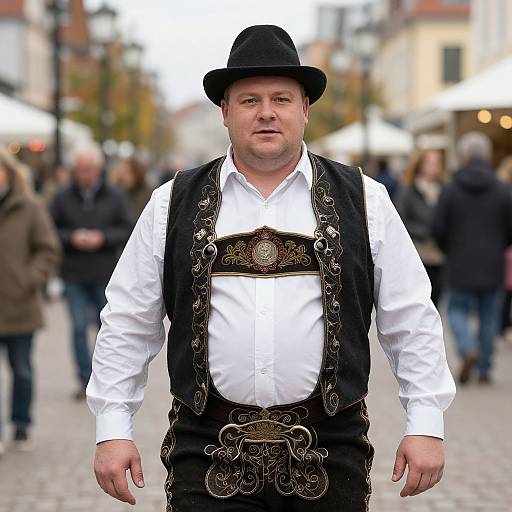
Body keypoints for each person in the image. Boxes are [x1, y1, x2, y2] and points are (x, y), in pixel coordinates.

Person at [88, 25, 455, 511]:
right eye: (249, 100)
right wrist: (112, 428)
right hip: (208, 448)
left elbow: (410, 317)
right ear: (224, 112)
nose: (266, 112)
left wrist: (426, 422)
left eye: (281, 98)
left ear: (304, 109)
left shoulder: (365, 198)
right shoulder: (170, 202)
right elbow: (128, 320)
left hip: (329, 448)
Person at [51, 144, 133, 400]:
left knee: (106, 329)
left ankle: (105, 379)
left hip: (105, 272)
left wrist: (103, 238)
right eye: (80, 170)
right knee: (77, 328)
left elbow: (127, 229)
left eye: (89, 169)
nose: (85, 174)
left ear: (98, 169)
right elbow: (51, 230)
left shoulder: (115, 196)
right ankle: (84, 379)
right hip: (73, 273)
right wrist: (71, 237)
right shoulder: (62, 197)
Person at [433, 132, 512, 385]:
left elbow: (438, 227)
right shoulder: (503, 190)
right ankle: (485, 367)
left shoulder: (451, 189)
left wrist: (449, 250)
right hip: (492, 263)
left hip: (459, 262)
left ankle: (467, 347)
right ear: (487, 157)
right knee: (489, 315)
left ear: (464, 157)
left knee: (456, 310)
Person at [0, 147, 61, 451]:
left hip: (19, 303)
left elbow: (48, 247)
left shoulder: (29, 207)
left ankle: (21, 425)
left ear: (9, 173)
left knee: (21, 369)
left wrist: (30, 278)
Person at [395, 149, 446, 305]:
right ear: (420, 165)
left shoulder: (444, 189)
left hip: (440, 254)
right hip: (417, 254)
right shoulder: (408, 190)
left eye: (437, 163)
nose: (434, 167)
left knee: (436, 300)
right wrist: (423, 232)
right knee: (421, 301)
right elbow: (399, 219)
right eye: (429, 163)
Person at [497, 156, 512, 343]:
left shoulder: (501, 191)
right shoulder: (503, 193)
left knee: (505, 293)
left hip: (505, 250)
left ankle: (504, 326)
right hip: (506, 247)